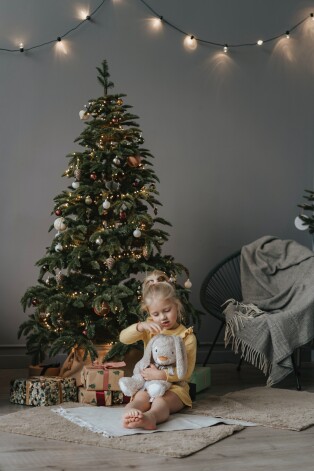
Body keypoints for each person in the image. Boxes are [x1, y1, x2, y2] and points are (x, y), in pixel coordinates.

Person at [120, 275, 197, 430]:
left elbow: (186, 373)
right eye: (155, 314)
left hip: (175, 388)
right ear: (149, 312)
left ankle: (151, 417)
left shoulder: (186, 337)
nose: (162, 317)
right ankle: (129, 414)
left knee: (161, 401)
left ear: (177, 305)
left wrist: (161, 376)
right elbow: (123, 338)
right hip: (148, 384)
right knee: (140, 397)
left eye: (167, 310)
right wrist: (140, 327)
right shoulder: (150, 329)